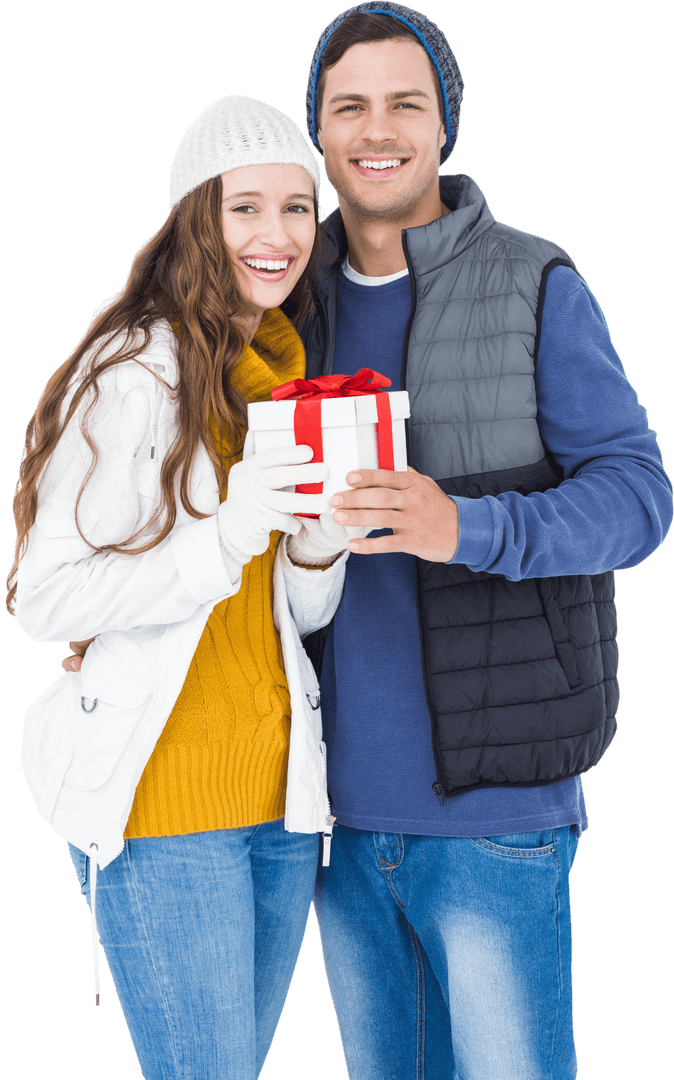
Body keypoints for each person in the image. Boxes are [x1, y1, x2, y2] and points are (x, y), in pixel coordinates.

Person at [280, 4, 671, 1079]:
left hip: (497, 821)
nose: (377, 129)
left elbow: (638, 496)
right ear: (318, 130)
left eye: (405, 103)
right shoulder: (280, 307)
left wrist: (469, 527)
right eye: (347, 105)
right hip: (335, 827)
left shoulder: (532, 285)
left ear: (443, 124)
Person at [8, 94, 354, 1080]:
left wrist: (317, 547)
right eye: (245, 207)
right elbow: (47, 598)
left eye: (297, 208)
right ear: (194, 218)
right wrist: (237, 523)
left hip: (280, 805)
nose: (277, 234)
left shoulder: (278, 379)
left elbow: (279, 620)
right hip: (167, 810)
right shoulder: (130, 372)